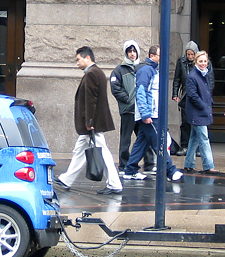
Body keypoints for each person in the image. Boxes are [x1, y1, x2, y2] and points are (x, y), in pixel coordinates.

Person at [54, 46, 123, 195]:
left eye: (78, 59)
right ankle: (67, 179)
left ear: (88, 58)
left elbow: (91, 100)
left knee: (102, 152)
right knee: (80, 150)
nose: (77, 63)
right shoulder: (96, 72)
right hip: (93, 123)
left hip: (93, 123)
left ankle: (114, 184)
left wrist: (89, 122)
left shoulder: (92, 73)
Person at [123, 44, 184, 182]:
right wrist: (146, 114)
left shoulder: (151, 70)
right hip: (150, 114)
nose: (162, 58)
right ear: (152, 56)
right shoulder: (147, 70)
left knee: (142, 142)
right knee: (159, 142)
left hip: (150, 113)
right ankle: (170, 170)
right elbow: (141, 92)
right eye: (159, 55)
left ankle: (130, 169)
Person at [109, 40, 154, 174]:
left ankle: (149, 164)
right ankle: (123, 165)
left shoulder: (143, 67)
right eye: (130, 51)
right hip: (128, 110)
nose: (132, 54)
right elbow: (115, 88)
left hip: (140, 110)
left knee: (146, 137)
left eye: (134, 51)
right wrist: (128, 99)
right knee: (125, 139)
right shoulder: (119, 70)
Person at [183, 51, 217, 173]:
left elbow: (207, 91)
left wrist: (209, 103)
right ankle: (208, 165)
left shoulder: (205, 75)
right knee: (204, 138)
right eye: (200, 61)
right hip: (197, 112)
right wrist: (203, 106)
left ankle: (189, 163)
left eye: (205, 61)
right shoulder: (192, 76)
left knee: (194, 138)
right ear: (196, 62)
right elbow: (193, 95)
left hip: (202, 110)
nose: (203, 63)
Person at [171, 41, 199, 155]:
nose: (190, 57)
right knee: (185, 122)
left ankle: (197, 148)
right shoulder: (181, 62)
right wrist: (175, 94)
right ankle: (184, 146)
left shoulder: (200, 62)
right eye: (188, 54)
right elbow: (177, 79)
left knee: (197, 123)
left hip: (197, 96)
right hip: (185, 95)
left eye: (192, 54)